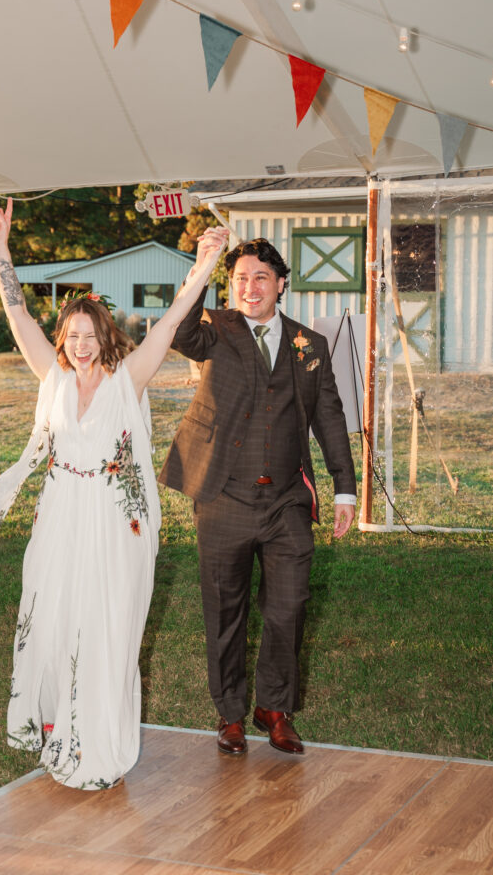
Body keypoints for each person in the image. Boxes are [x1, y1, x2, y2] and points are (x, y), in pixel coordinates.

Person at [0, 199, 227, 789]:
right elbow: (17, 317)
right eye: (72, 335)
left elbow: (167, 324)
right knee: (54, 618)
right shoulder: (55, 379)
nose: (80, 345)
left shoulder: (125, 379)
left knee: (105, 623)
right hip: (61, 514)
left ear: (105, 335)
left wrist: (203, 268)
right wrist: (1, 249)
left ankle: (99, 744)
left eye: (89, 335)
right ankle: (59, 728)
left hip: (112, 522)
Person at [159, 237, 356, 756]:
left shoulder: (309, 344)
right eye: (241, 278)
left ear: (281, 284)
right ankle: (229, 714)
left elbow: (329, 417)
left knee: (288, 607)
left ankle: (275, 708)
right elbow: (179, 332)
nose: (250, 287)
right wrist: (202, 268)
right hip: (223, 494)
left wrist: (345, 489)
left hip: (287, 499)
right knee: (225, 611)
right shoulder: (217, 330)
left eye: (260, 278)